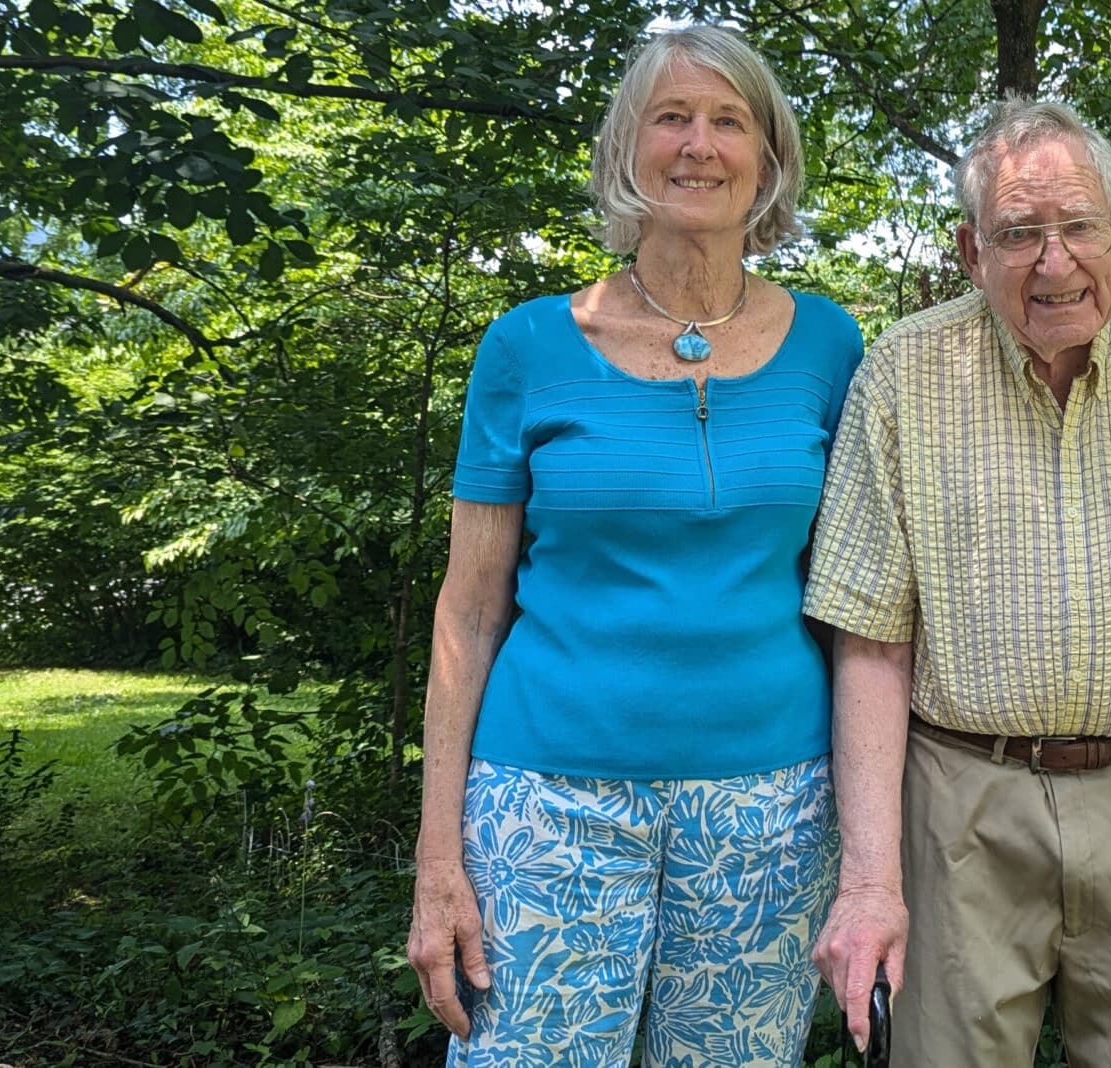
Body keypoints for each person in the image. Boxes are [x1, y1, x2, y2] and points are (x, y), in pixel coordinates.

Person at [403, 24, 863, 1067]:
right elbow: (466, 610)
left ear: (768, 156)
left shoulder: (833, 346)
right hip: (546, 799)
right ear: (627, 149)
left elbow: (856, 605)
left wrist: (872, 848)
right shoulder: (527, 345)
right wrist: (439, 857)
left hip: (773, 808)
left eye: (727, 120)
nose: (697, 144)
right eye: (671, 117)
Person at [801, 97, 1111, 1065]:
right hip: (960, 798)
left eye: (1078, 226)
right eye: (1018, 234)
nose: (1054, 262)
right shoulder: (903, 373)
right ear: (972, 253)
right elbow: (872, 640)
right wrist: (871, 879)